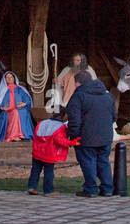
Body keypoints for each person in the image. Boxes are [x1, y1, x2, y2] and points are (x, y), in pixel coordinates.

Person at [66, 69, 118, 198]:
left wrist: (73, 136)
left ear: (78, 83)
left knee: (88, 161)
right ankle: (107, 189)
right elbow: (114, 116)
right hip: (105, 136)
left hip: (86, 136)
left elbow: (74, 119)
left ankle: (91, 189)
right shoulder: (107, 95)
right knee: (103, 161)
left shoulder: (79, 95)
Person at [27, 111, 79, 196]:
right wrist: (72, 142)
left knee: (35, 170)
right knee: (48, 172)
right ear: (64, 116)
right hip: (49, 153)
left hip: (37, 151)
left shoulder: (41, 123)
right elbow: (60, 140)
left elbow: (35, 135)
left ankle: (32, 187)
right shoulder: (60, 127)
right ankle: (48, 190)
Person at [0, 71, 35, 142]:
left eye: (11, 77)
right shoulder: (2, 90)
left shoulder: (20, 89)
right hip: (7, 110)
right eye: (7, 77)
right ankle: (14, 135)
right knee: (14, 113)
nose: (9, 79)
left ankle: (22, 134)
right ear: (4, 79)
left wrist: (23, 104)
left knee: (20, 112)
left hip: (20, 108)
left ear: (14, 79)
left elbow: (27, 99)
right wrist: (2, 107)